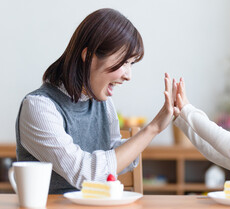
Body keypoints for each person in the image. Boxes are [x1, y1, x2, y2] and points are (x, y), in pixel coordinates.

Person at [15, 8, 174, 194]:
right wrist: (153, 128)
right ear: (89, 56)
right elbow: (85, 173)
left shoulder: (103, 102)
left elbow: (114, 157)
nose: (128, 75)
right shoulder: (38, 107)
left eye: (131, 64)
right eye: (123, 62)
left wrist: (162, 122)